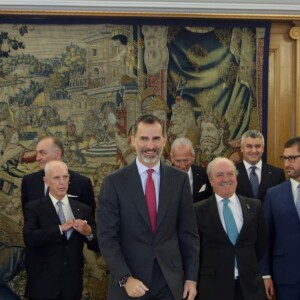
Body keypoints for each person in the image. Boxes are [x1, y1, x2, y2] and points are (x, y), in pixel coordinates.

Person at [97, 114, 199, 300]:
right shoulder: (113, 183)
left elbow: (188, 235)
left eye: (156, 139)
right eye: (144, 138)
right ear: (132, 140)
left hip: (170, 283)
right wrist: (125, 278)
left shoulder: (179, 180)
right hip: (130, 283)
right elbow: (107, 238)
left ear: (165, 140)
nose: (150, 146)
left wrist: (191, 279)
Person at [23, 160, 99, 300]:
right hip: (42, 286)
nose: (62, 182)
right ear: (46, 181)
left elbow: (98, 245)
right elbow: (30, 238)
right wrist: (60, 228)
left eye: (65, 177)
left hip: (72, 286)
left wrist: (89, 232)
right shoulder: (34, 208)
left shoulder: (82, 209)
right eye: (56, 178)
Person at [194, 157, 267, 300]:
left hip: (250, 287)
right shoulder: (197, 210)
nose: (226, 179)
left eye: (230, 174)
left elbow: (261, 245)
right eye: (219, 175)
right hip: (214, 288)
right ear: (210, 180)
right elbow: (195, 251)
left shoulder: (254, 206)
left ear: (236, 177)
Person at [261, 136, 300, 300]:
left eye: (292, 158)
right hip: (285, 276)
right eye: (284, 158)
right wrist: (265, 275)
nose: (286, 163)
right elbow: (264, 238)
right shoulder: (273, 194)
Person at [21, 136, 96, 216]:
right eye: (37, 153)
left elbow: (89, 222)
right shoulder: (29, 182)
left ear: (57, 154)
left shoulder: (82, 183)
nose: (37, 158)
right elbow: (28, 221)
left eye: (42, 153)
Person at [236, 130, 285, 202]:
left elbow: (282, 201)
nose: (253, 150)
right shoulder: (231, 172)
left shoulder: (277, 174)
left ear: (263, 149)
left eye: (258, 146)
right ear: (242, 148)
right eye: (249, 146)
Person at [170, 137, 212, 202]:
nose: (182, 165)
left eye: (186, 160)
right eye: (178, 161)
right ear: (172, 159)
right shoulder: (163, 177)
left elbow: (209, 201)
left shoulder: (203, 174)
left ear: (193, 157)